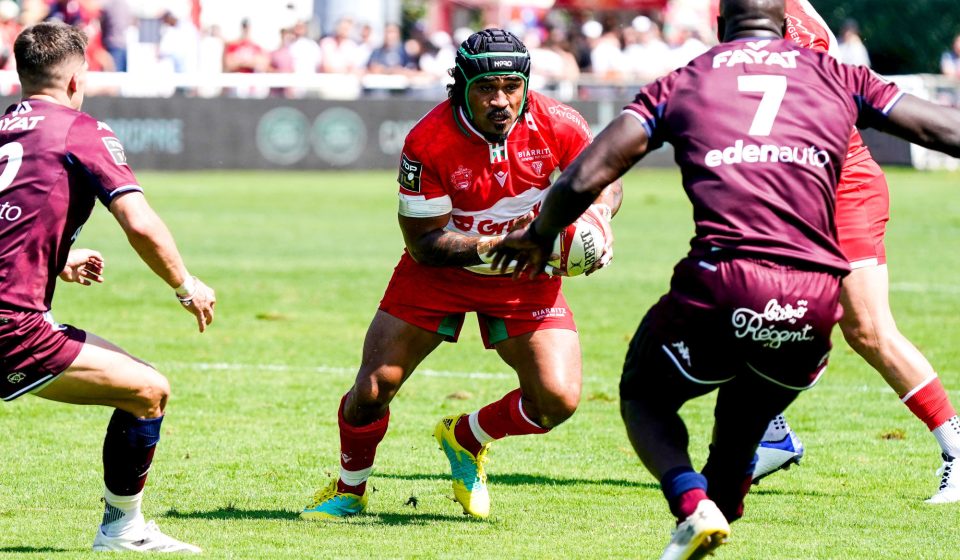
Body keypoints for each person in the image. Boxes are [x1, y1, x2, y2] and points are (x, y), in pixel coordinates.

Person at [490, 0, 960, 557]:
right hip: (807, 293)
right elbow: (937, 125)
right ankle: (745, 470)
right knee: (752, 405)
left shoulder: (694, 75)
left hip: (780, 235)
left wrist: (541, 231)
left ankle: (950, 445)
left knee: (650, 393)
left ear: (719, 25)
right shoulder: (828, 65)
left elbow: (594, 166)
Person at [300, 28, 620, 521]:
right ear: (460, 86)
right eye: (485, 88)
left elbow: (604, 179)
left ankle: (465, 438)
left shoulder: (558, 121)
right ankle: (349, 490)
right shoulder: (427, 141)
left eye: (512, 87)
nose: (500, 100)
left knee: (556, 400)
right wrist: (501, 243)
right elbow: (424, 244)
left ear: (527, 85)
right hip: (441, 272)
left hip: (524, 274)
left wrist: (598, 217)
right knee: (371, 392)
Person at [0, 21, 215, 552]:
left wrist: (56, 258)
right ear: (76, 80)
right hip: (11, 325)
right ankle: (122, 529)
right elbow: (138, 222)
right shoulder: (81, 129)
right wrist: (185, 284)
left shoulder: (5, 129)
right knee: (148, 391)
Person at [751, 0, 960, 505]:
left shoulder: (784, 23)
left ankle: (956, 446)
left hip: (840, 186)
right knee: (750, 308)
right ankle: (771, 435)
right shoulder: (766, 12)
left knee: (868, 329)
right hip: (799, 192)